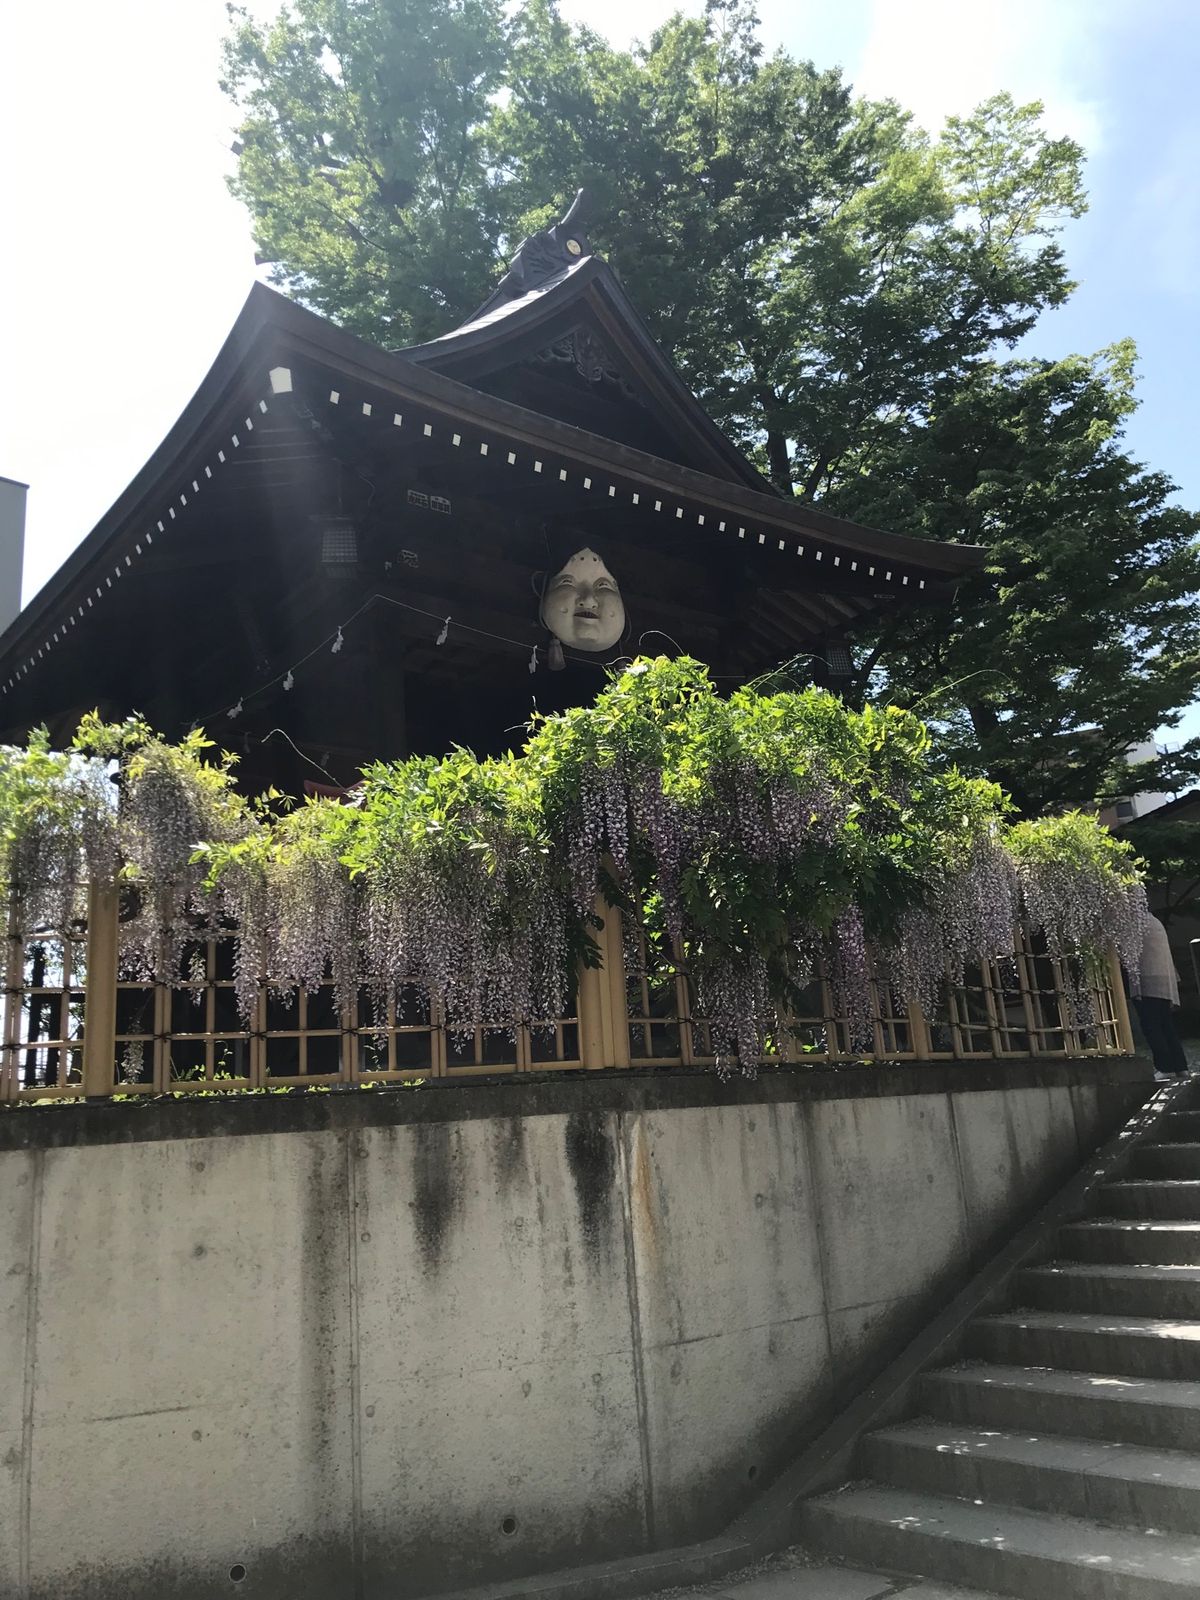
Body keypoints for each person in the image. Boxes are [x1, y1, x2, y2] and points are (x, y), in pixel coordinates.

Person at [1135, 914, 1189, 1077]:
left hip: (1148, 980)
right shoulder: (1154, 921)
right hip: (1164, 979)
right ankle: (1180, 1066)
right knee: (1166, 1025)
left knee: (1152, 1026)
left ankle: (1165, 1067)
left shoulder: (1136, 922)